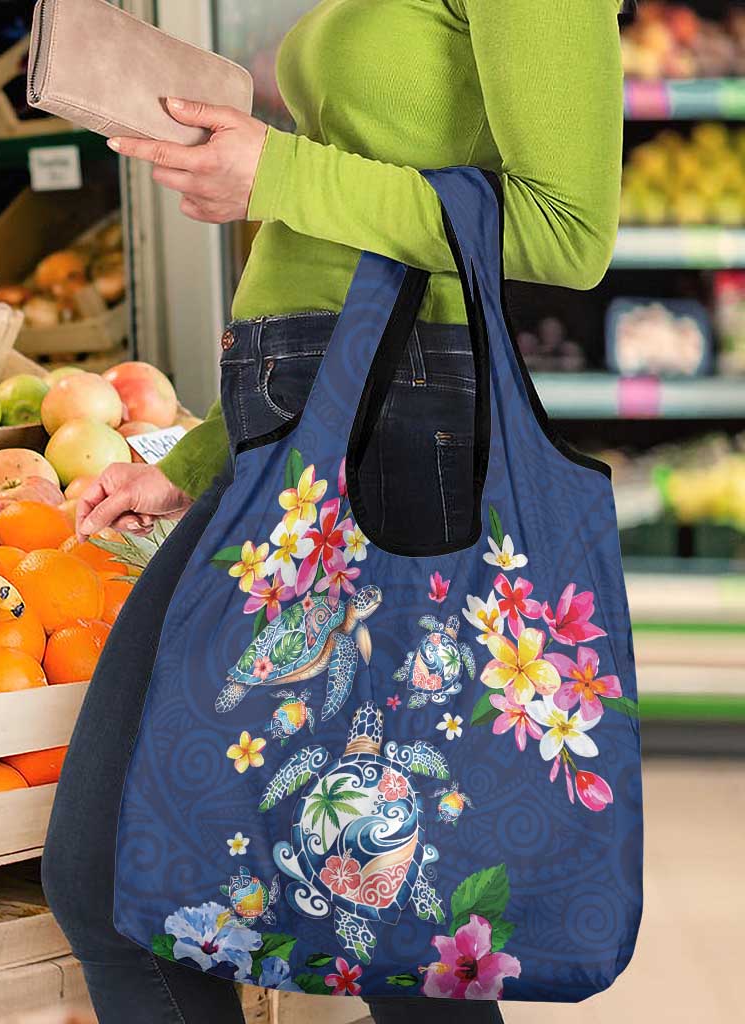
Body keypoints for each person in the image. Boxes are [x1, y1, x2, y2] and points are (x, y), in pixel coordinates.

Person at [42, 2, 625, 1022]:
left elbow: (568, 230)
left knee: (388, 918)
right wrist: (202, 458)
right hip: (310, 433)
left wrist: (278, 172)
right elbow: (340, 241)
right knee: (364, 920)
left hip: (402, 443)